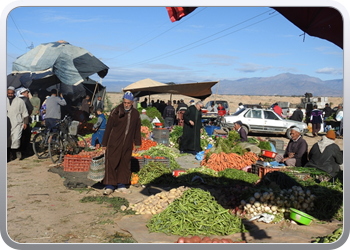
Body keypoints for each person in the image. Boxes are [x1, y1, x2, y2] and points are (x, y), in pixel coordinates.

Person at [101, 91, 141, 195]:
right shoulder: (115, 112)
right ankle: (109, 186)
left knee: (124, 163)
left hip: (127, 144)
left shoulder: (135, 114)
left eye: (128, 103)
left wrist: (137, 143)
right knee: (112, 162)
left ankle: (121, 185)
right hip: (114, 142)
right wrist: (104, 144)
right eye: (124, 102)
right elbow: (108, 128)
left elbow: (137, 129)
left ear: (132, 102)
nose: (126, 105)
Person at [7, 86, 29, 161]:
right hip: (7, 124)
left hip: (17, 123)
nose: (10, 95)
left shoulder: (20, 101)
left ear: (14, 93)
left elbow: (25, 113)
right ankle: (9, 155)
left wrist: (25, 123)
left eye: (11, 93)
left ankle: (16, 152)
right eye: (9, 93)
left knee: (16, 139)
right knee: (8, 140)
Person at [17, 88, 33, 155]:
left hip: (17, 119)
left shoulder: (16, 99)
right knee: (27, 134)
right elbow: (31, 108)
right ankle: (24, 149)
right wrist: (28, 116)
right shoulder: (25, 99)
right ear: (22, 93)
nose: (27, 94)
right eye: (26, 93)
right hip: (24, 119)